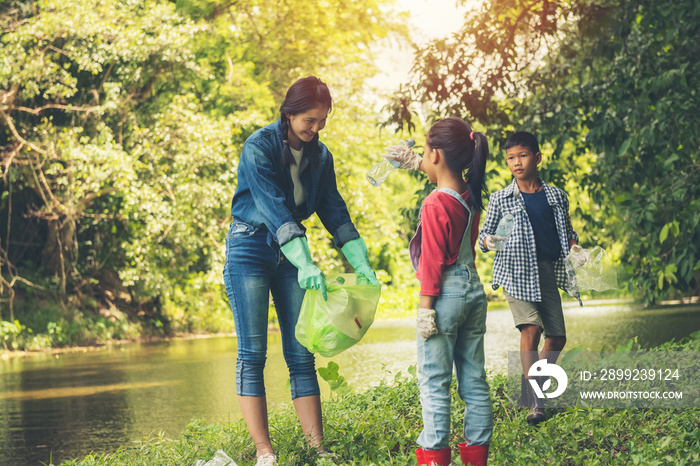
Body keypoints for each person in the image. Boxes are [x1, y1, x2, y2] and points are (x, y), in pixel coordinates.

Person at [222, 76, 379, 466]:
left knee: (301, 353)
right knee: (252, 354)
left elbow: (335, 212)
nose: (315, 128)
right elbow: (274, 209)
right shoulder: (258, 147)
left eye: (322, 120)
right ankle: (265, 453)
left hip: (294, 253)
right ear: (289, 113)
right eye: (309, 120)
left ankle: (318, 449)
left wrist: (361, 262)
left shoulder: (320, 157)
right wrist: (306, 262)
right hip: (251, 248)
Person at [382, 118, 492, 466]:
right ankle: (477, 458)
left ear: (436, 154)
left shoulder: (433, 204)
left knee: (434, 383)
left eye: (425, 154)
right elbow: (446, 181)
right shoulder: (470, 195)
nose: (421, 159)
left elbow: (431, 263)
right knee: (474, 380)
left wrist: (425, 310)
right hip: (473, 290)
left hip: (444, 294)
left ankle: (433, 457)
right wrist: (417, 162)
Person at [478, 131, 585, 425]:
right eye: (511, 158)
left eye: (522, 156)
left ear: (537, 158)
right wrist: (489, 242)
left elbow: (568, 232)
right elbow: (482, 237)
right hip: (516, 270)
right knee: (531, 330)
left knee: (558, 337)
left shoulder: (555, 196)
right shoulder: (501, 198)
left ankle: (533, 382)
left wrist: (576, 248)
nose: (517, 162)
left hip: (546, 270)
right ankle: (535, 402)